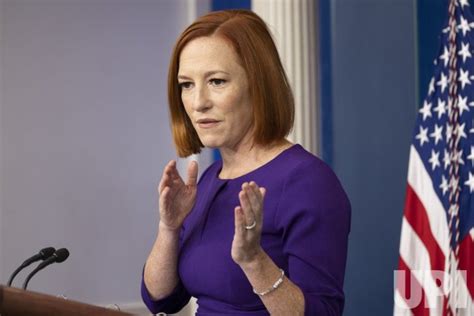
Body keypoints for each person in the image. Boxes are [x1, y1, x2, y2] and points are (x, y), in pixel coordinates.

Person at [141, 9, 350, 316]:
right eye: (186, 84)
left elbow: (322, 313)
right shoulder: (210, 180)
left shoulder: (309, 182)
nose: (198, 102)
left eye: (216, 81)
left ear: (258, 85)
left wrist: (254, 261)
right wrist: (169, 228)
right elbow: (161, 299)